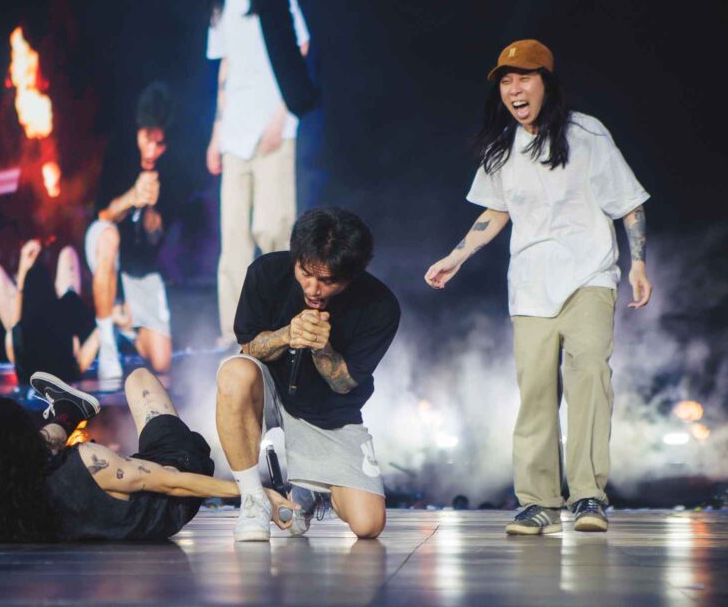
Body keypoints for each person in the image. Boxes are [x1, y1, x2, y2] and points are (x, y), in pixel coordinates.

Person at [424, 39, 652, 535]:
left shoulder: (587, 134)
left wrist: (638, 263)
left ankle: (588, 496)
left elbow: (628, 202)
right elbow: (495, 211)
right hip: (529, 287)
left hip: (589, 276)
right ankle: (539, 502)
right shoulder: (502, 147)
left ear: (546, 82)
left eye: (524, 78)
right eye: (506, 81)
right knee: (536, 394)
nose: (514, 89)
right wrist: (457, 255)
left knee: (589, 378)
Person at [0, 368, 295, 542]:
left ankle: (68, 411)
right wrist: (254, 492)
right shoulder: (88, 462)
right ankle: (67, 411)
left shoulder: (5, 504)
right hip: (170, 487)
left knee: (34, 455)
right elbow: (173, 483)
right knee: (138, 379)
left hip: (120, 506)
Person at [215, 207, 400, 541]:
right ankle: (253, 501)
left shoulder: (380, 306)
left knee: (368, 525)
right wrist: (287, 335)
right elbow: (248, 348)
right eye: (306, 274)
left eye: (328, 281)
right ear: (296, 259)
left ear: (351, 276)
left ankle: (307, 489)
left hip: (328, 412)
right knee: (234, 373)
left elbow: (344, 383)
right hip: (270, 390)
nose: (313, 289)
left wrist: (322, 347)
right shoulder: (266, 272)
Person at [205, 0, 311, 347]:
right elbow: (225, 68)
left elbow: (300, 49)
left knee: (274, 231)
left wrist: (283, 113)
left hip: (274, 131)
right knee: (233, 240)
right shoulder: (219, 4)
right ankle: (235, 336)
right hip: (235, 136)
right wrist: (216, 133)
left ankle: (283, 329)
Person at [85, 82, 176, 387]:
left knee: (161, 360)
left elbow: (157, 236)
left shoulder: (170, 169)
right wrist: (132, 197)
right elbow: (102, 214)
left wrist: (152, 216)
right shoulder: (119, 152)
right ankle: (108, 346)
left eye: (160, 144)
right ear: (139, 130)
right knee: (109, 236)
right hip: (104, 247)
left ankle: (123, 323)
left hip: (138, 267)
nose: (152, 150)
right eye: (148, 140)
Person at [0, 238, 100, 386]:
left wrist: (23, 270)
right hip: (53, 330)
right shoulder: (66, 352)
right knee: (68, 254)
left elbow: (16, 327)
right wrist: (106, 322)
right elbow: (81, 360)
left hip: (31, 334)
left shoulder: (17, 344)